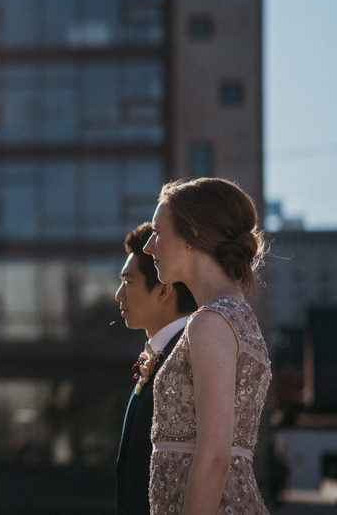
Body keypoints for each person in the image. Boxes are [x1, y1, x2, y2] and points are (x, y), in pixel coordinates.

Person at [143, 177, 272, 514]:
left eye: (158, 232)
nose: (149, 246)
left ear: (192, 234)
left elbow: (214, 458)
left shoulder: (210, 323)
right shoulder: (236, 317)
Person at [115, 222, 197, 515]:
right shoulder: (163, 353)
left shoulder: (189, 355)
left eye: (129, 281)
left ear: (163, 290)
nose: (119, 295)